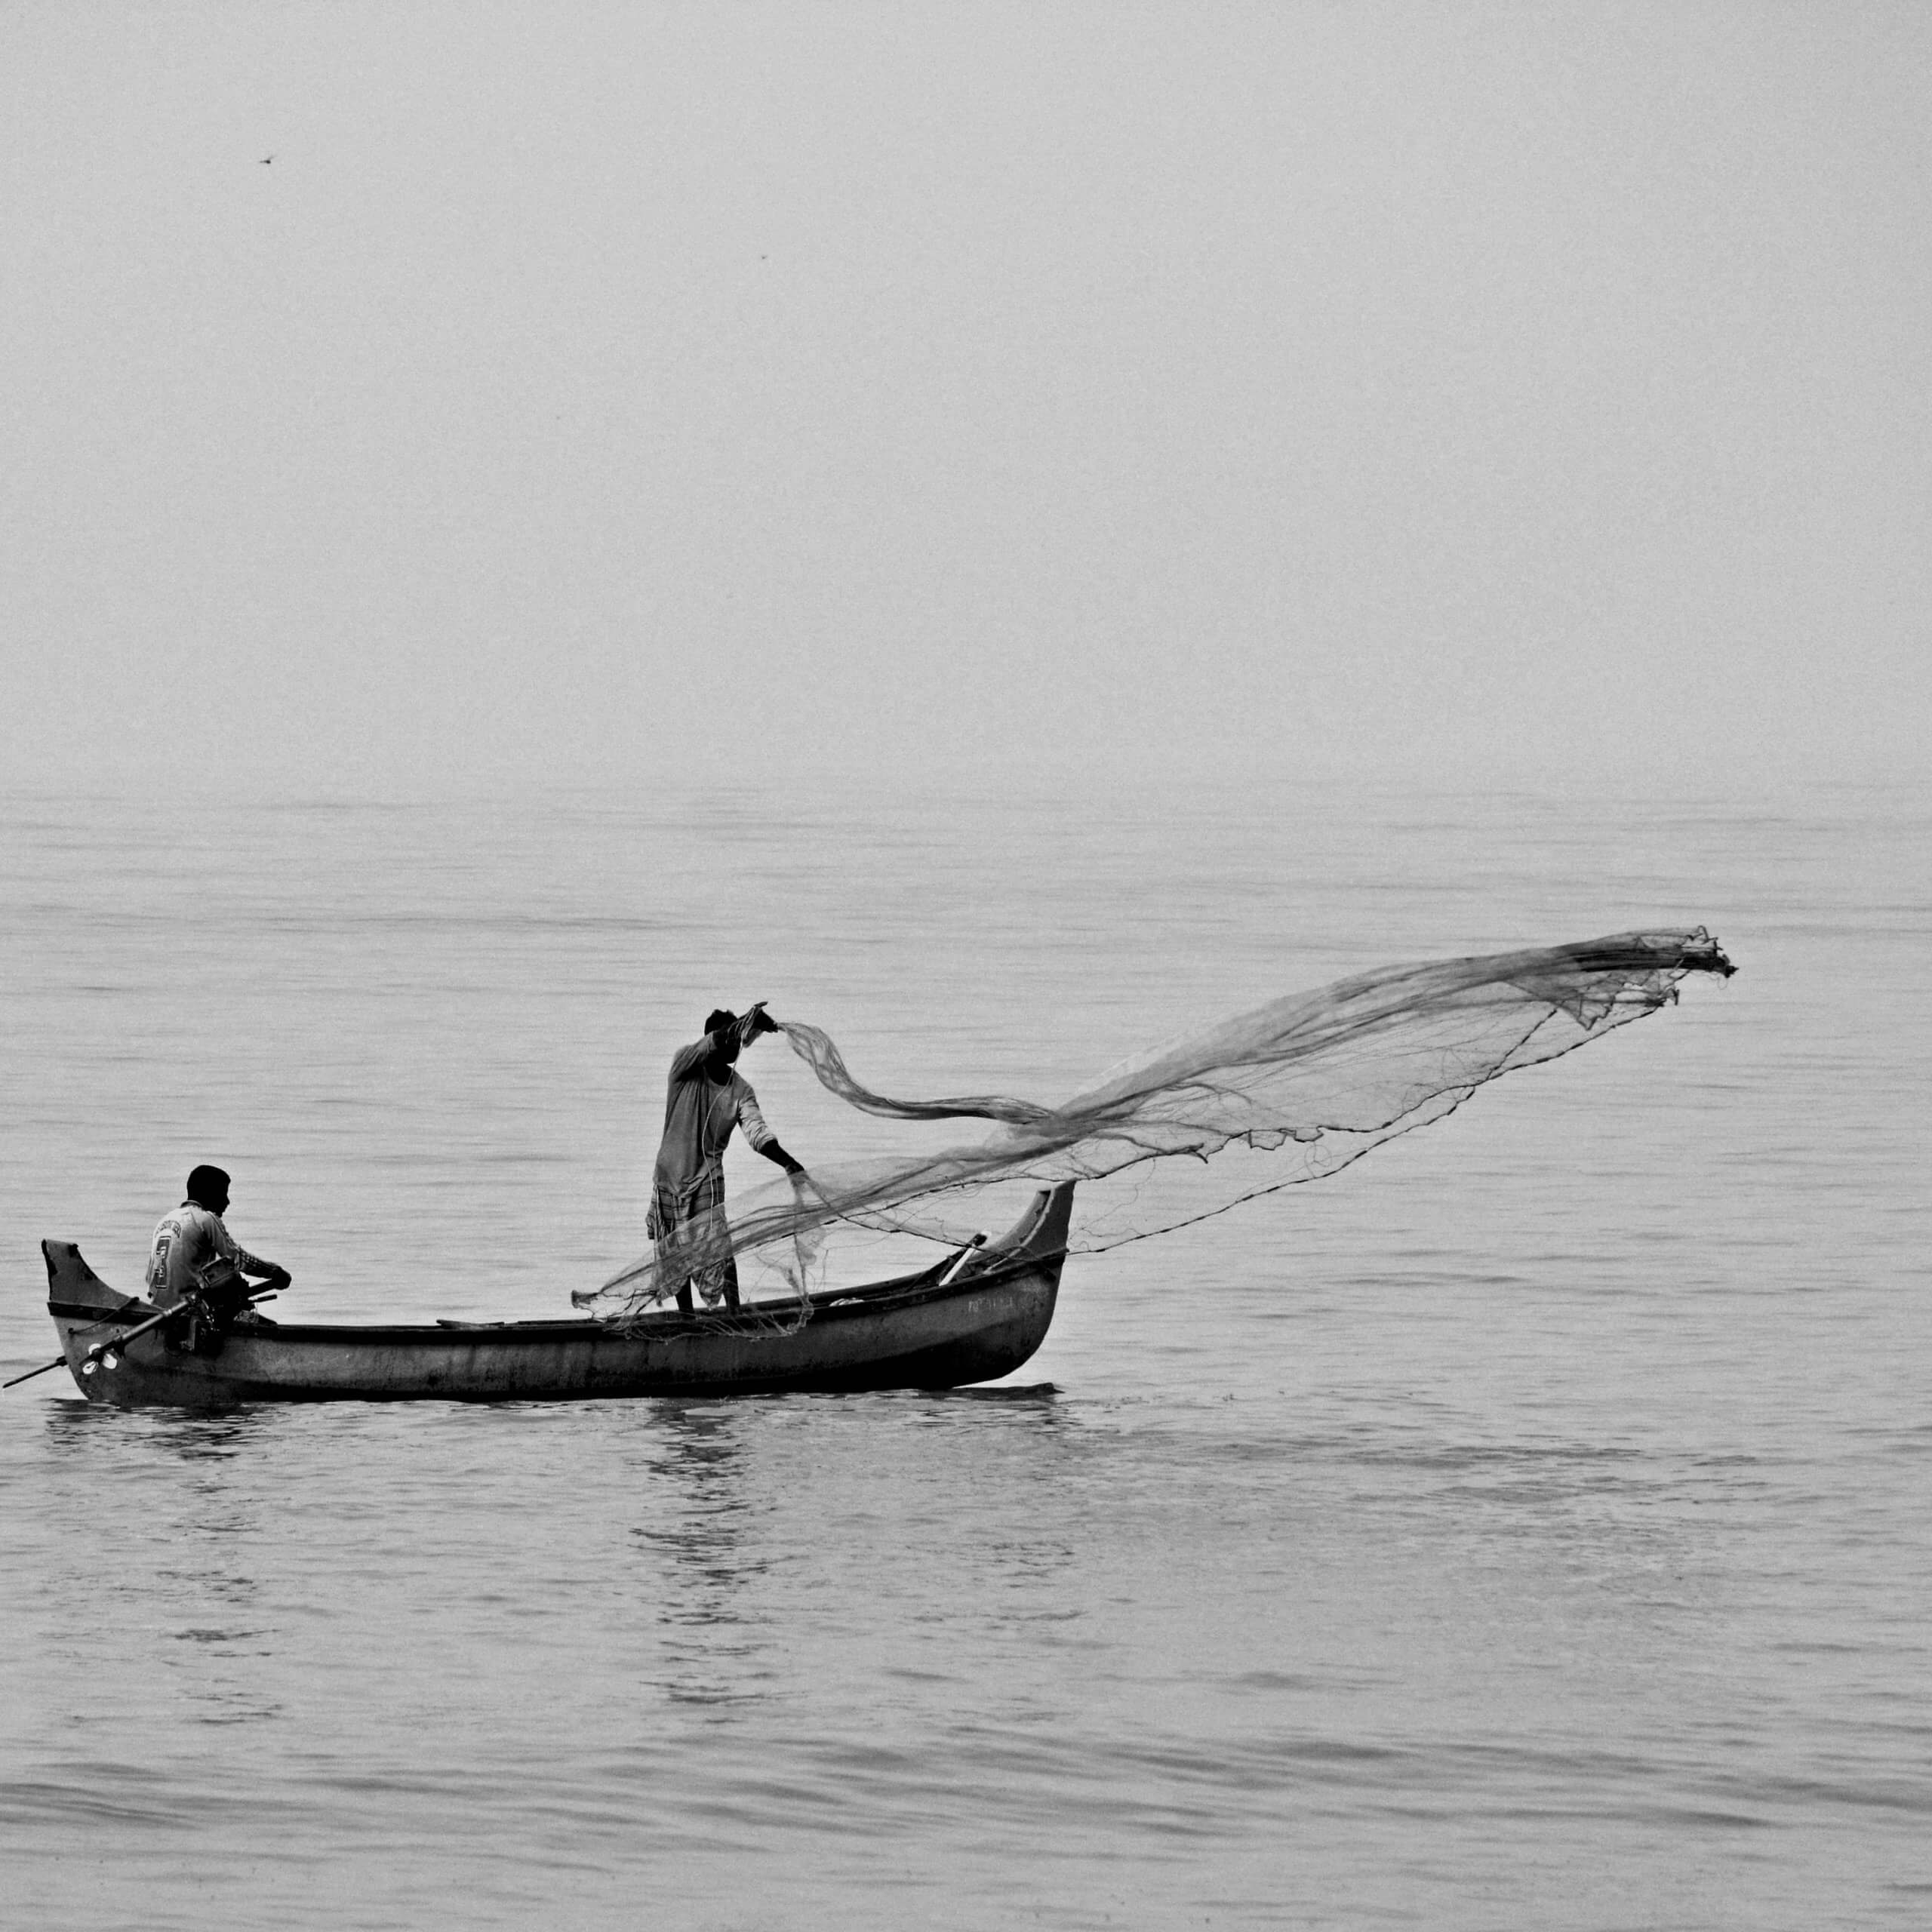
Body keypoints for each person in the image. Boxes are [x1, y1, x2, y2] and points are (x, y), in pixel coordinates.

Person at [649, 1004, 804, 1312]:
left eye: (740, 1038)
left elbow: (758, 1134)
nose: (735, 1045)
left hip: (707, 1176)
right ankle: (687, 1318)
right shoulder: (685, 1066)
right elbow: (714, 1042)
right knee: (677, 1252)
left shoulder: (740, 1091)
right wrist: (746, 1022)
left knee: (719, 1246)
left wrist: (788, 1162)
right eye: (731, 1038)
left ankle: (734, 1312)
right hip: (669, 1175)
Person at [146, 1165, 291, 1324]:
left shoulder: (164, 1222)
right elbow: (239, 1259)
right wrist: (274, 1272)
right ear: (209, 1193)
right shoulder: (205, 1219)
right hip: (189, 1312)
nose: (227, 1202)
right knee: (269, 1326)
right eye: (223, 1194)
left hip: (157, 1311)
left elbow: (150, 1277)